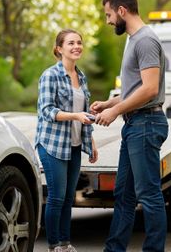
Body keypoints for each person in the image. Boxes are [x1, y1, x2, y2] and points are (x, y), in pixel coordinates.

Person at [91, 0, 169, 252]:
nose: (109, 21)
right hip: (135, 125)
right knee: (123, 194)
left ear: (122, 11)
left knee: (149, 195)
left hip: (146, 124)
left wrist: (114, 112)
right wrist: (110, 103)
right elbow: (135, 89)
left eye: (109, 14)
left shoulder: (145, 41)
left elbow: (149, 89)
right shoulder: (134, 40)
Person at [36, 29, 99, 252]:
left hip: (74, 145)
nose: (76, 46)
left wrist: (90, 142)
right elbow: (47, 111)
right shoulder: (50, 75)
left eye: (79, 42)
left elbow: (83, 113)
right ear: (59, 49)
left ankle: (65, 243)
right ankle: (54, 246)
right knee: (56, 197)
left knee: (68, 197)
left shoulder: (80, 77)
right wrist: (74, 116)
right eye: (71, 43)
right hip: (52, 144)